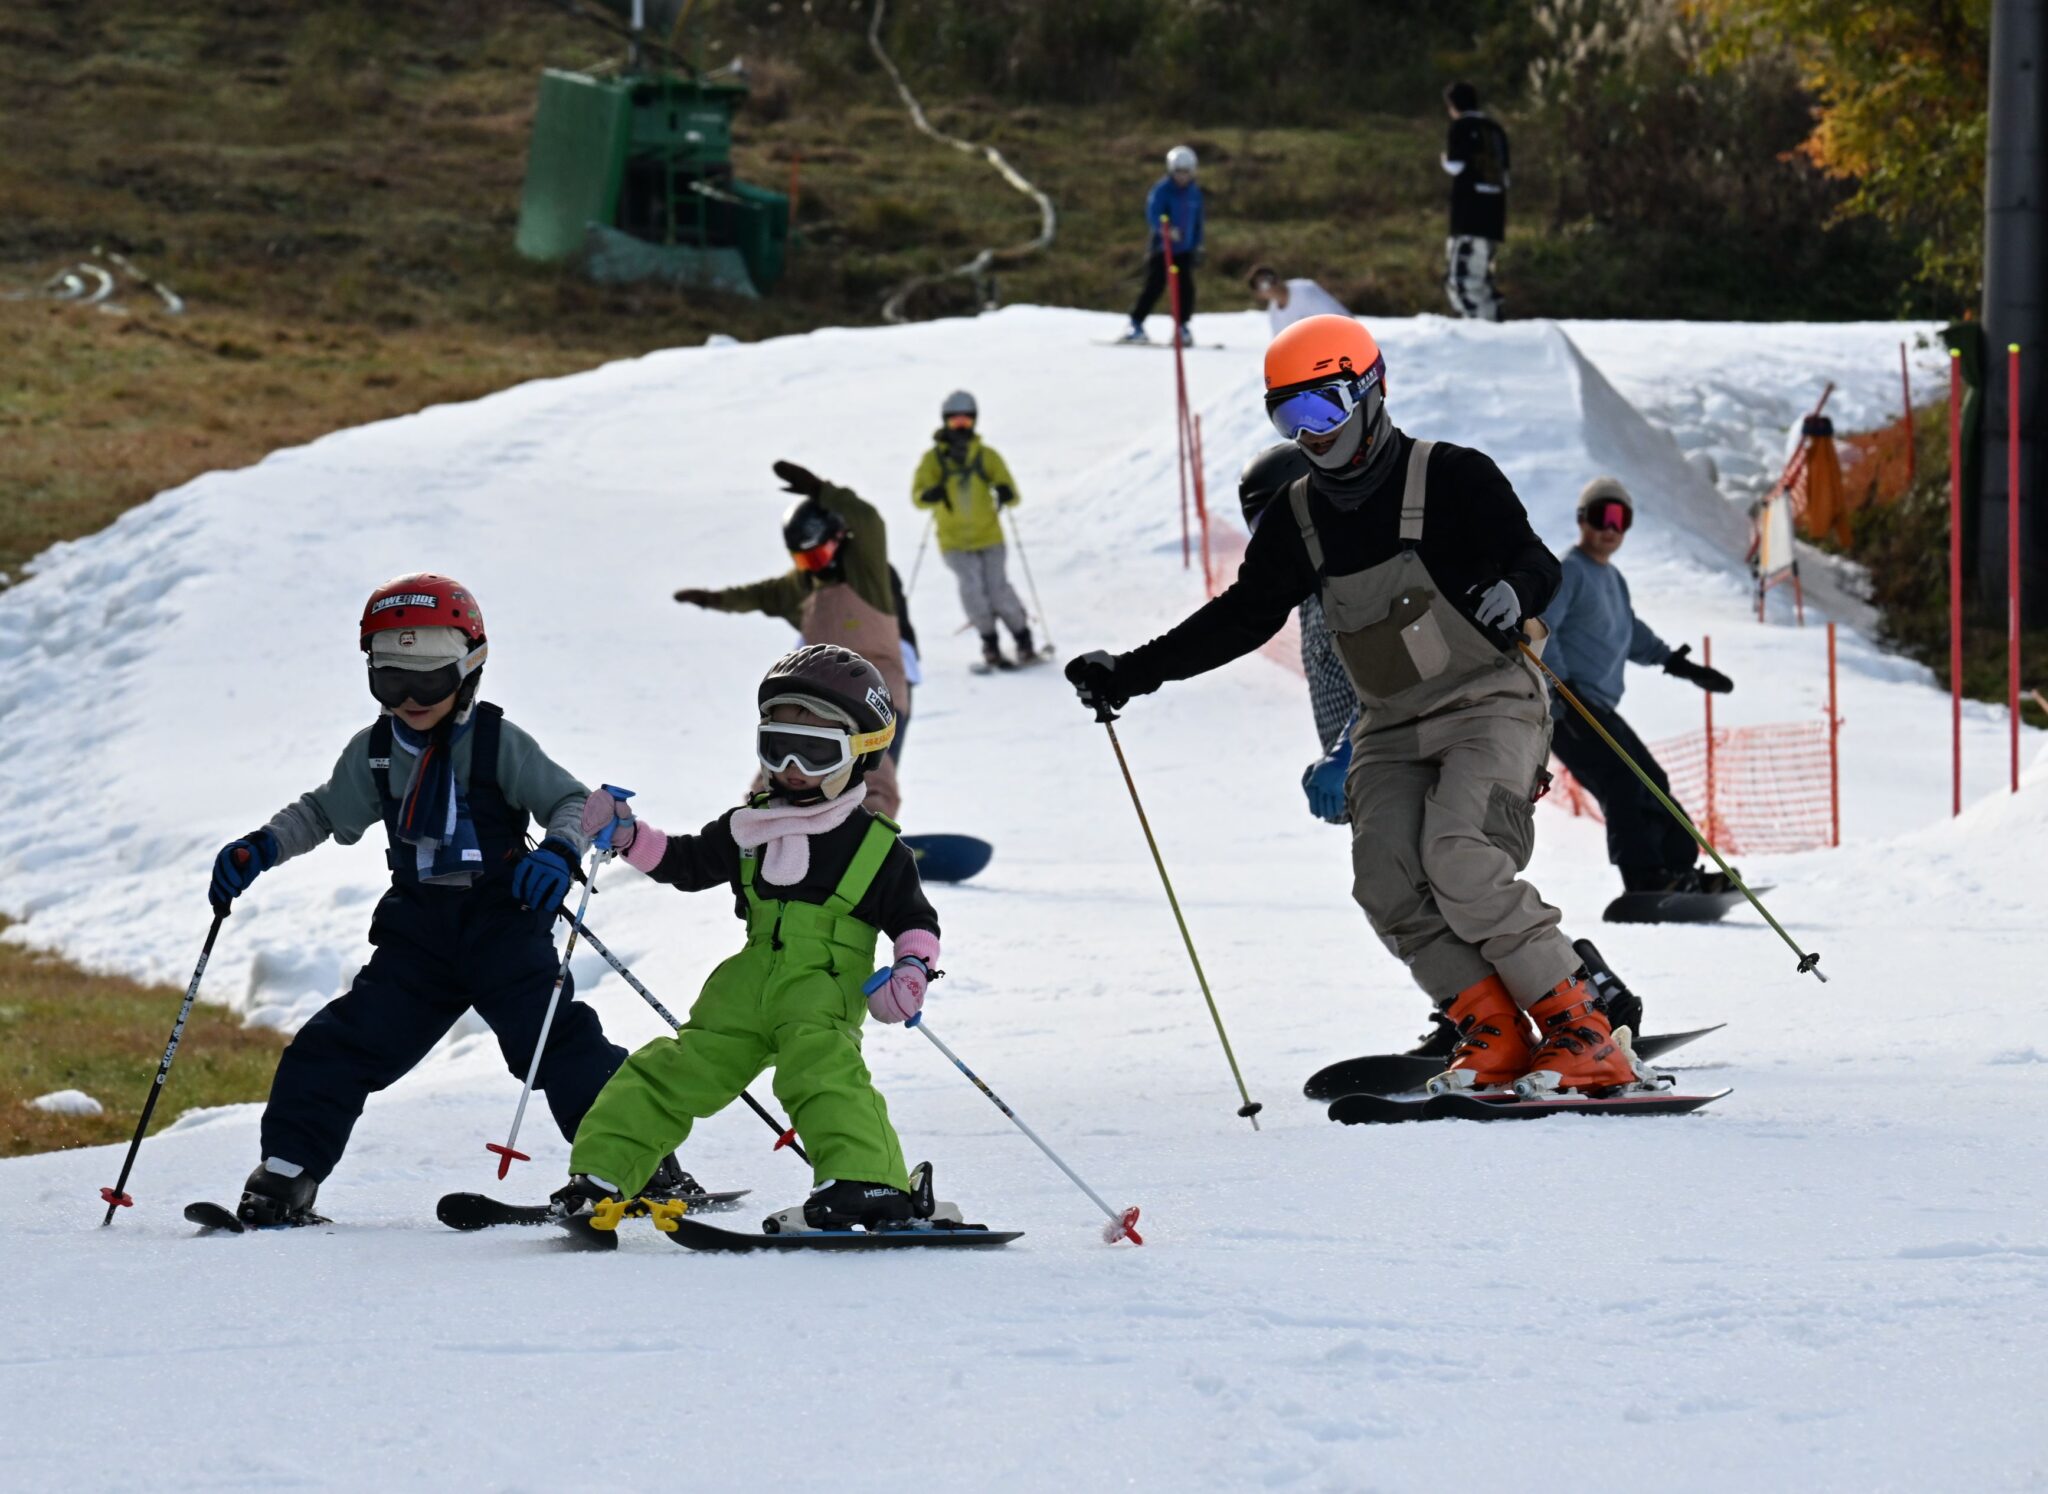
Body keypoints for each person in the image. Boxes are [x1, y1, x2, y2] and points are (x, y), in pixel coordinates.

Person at [1065, 315, 1648, 1097]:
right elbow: (1241, 617)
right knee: (1385, 878)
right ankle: (1495, 1032)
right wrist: (1130, 673)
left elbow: (1534, 560)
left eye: (1326, 409)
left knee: (1460, 855)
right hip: (1391, 721)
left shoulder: (1453, 477)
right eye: (1290, 417)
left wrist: (1517, 591)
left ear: (1372, 392)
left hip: (1489, 700)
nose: (1312, 435)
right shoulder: (1301, 519)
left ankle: (1584, 1030)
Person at [203, 573, 637, 1226]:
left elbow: (571, 800)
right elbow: (324, 811)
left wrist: (558, 851)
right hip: (419, 937)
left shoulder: (495, 743)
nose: (409, 699)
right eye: (389, 681)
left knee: (553, 1040)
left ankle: (636, 1162)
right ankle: (286, 1175)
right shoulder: (377, 752)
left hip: (503, 924)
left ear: (469, 669)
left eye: (428, 682)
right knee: (339, 1043)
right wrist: (262, 846)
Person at [553, 646, 944, 1232]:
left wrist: (910, 971)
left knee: (821, 1071)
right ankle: (604, 1175)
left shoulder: (876, 846)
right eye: (775, 745)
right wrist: (628, 836)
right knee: (669, 1069)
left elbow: (915, 918)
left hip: (822, 988)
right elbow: (683, 862)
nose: (790, 765)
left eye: (814, 751)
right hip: (743, 984)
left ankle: (868, 1181)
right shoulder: (749, 827)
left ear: (862, 753)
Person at [674, 462, 910, 818]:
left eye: (817, 555)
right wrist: (712, 600)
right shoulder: (800, 587)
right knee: (783, 756)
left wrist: (821, 490)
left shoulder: (866, 574)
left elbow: (868, 519)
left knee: (869, 766)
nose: (813, 567)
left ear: (838, 540)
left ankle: (871, 831)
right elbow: (757, 594)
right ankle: (756, 826)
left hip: (875, 687)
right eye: (803, 560)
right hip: (821, 690)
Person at [1539, 477, 1736, 896]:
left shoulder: (1612, 579)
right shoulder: (1569, 570)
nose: (1610, 527)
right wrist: (1560, 691)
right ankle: (1643, 879)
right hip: (1567, 705)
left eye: (1620, 518)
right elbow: (1541, 629)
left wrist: (1678, 664)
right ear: (1582, 520)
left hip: (1599, 706)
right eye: (1601, 516)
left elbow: (1629, 632)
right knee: (1623, 783)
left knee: (1653, 781)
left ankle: (1676, 870)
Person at [912, 389, 1038, 670]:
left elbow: (1013, 494)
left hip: (990, 537)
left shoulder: (986, 456)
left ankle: (1023, 639)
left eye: (965, 422)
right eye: (955, 422)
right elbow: (917, 496)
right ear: (945, 422)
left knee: (998, 590)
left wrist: (1005, 492)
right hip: (954, 542)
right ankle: (990, 643)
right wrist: (928, 495)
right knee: (972, 589)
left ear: (974, 422)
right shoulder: (933, 461)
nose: (960, 427)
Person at [1119, 145, 1204, 346]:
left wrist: (1198, 245)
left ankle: (1182, 327)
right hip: (1162, 248)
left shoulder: (1194, 193)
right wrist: (1167, 230)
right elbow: (1154, 214)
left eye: (1186, 173)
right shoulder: (1162, 190)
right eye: (1178, 173)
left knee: (1186, 289)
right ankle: (1136, 323)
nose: (1182, 177)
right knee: (1154, 286)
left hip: (1184, 251)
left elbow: (1198, 221)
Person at [1441, 81, 1509, 322]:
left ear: (1452, 105)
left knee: (1463, 282)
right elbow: (1505, 174)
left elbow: (1454, 164)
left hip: (1468, 215)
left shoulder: (1461, 126)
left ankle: (1481, 337)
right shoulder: (1495, 129)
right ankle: (1496, 325)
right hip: (1494, 214)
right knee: (1483, 281)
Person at [1247, 266, 1351, 337]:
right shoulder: (1273, 311)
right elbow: (1280, 343)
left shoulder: (1305, 290)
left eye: (1271, 279)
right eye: (1264, 285)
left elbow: (1338, 319)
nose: (1271, 286)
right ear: (1259, 294)